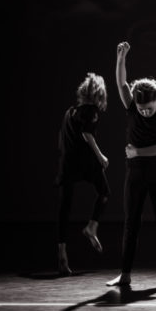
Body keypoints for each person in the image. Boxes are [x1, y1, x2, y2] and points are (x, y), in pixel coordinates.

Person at [107, 41, 156, 288]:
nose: (145, 113)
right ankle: (125, 274)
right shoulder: (132, 107)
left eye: (148, 109)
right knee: (131, 225)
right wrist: (121, 59)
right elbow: (121, 84)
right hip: (136, 175)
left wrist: (138, 151)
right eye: (141, 109)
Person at [55, 73, 110, 275]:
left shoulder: (70, 112)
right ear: (99, 94)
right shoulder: (91, 111)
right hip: (85, 162)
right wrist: (101, 156)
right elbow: (87, 134)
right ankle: (91, 227)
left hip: (68, 163)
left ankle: (62, 252)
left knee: (64, 208)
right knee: (104, 193)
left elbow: (61, 139)